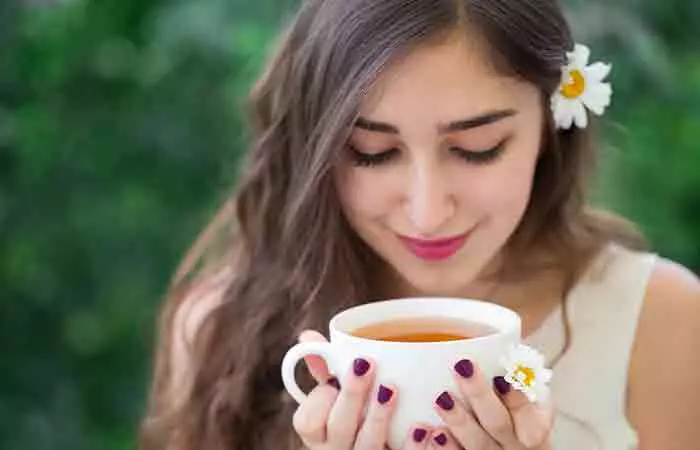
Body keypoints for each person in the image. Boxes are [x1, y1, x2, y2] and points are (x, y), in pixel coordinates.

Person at [139, 1, 700, 449]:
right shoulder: (219, 331)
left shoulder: (661, 323)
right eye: (372, 152)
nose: (427, 213)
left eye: (479, 149)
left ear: (551, 126)